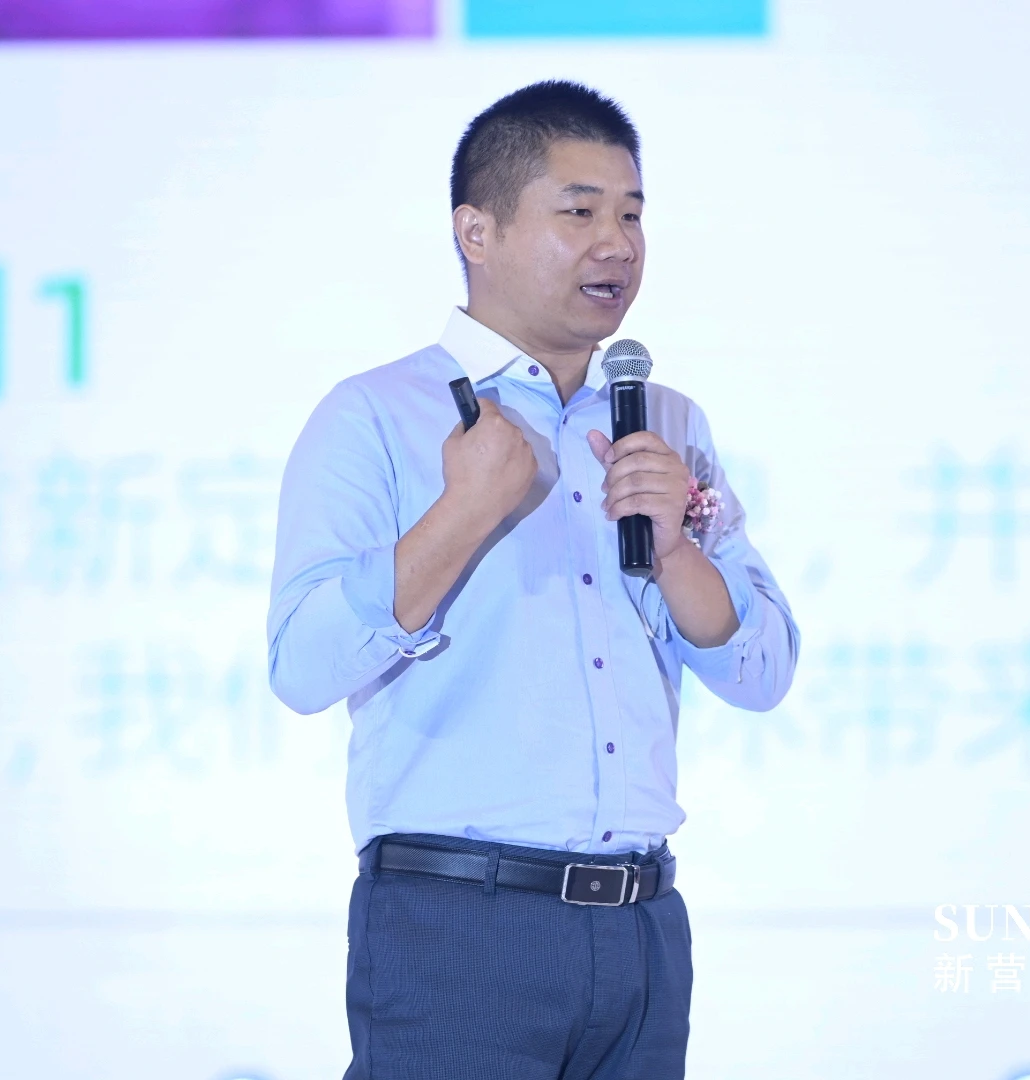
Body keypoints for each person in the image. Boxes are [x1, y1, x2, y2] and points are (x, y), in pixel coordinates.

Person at [267, 79, 799, 1080]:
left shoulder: (666, 422)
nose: (617, 246)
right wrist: (463, 511)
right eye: (579, 213)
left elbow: (763, 671)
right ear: (477, 231)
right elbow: (301, 666)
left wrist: (676, 550)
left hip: (642, 928)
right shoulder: (375, 415)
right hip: (459, 922)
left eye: (632, 215)